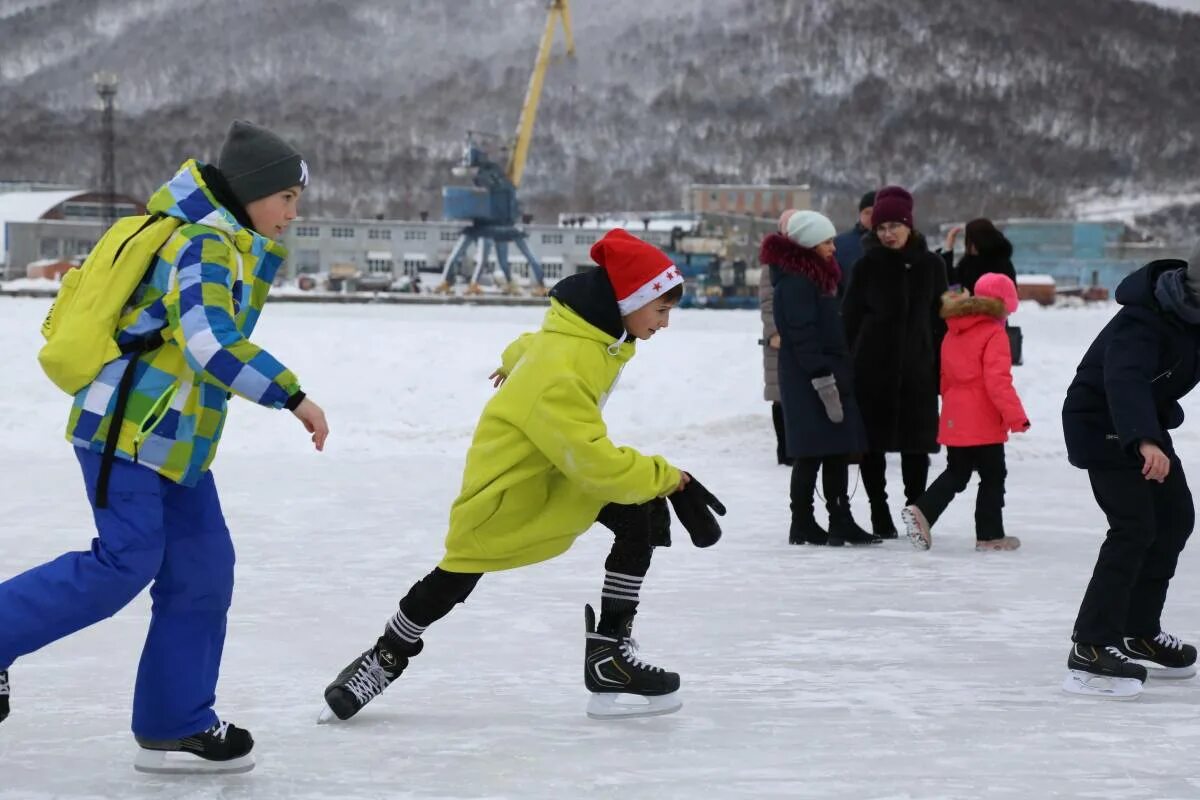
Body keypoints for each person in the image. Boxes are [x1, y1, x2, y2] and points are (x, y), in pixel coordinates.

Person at [0, 120, 329, 773]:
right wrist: (290, 395)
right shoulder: (204, 245)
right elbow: (209, 344)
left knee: (203, 570)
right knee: (128, 561)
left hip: (174, 441)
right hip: (125, 431)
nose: (293, 212)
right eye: (285, 197)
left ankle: (174, 721)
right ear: (250, 192)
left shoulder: (226, 242)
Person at [321, 229, 725, 722]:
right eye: (660, 310)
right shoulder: (567, 363)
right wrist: (669, 476)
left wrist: (514, 359)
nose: (665, 323)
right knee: (458, 574)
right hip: (512, 485)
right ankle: (386, 656)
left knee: (638, 512)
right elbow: (594, 461)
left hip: (555, 471)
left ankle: (609, 656)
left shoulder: (592, 337)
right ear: (628, 301)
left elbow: (533, 343)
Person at [1060, 246, 1200, 699]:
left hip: (1144, 423)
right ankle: (1091, 645)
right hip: (1100, 420)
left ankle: (1138, 630)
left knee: (1175, 518)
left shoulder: (1194, 317)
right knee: (1134, 526)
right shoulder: (1148, 315)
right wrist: (1144, 439)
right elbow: (1124, 379)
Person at [763, 211, 876, 546]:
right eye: (826, 241)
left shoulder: (814, 278)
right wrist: (822, 378)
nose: (833, 247)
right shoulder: (797, 282)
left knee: (836, 449)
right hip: (811, 378)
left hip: (824, 373)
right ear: (810, 243)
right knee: (812, 453)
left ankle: (839, 518)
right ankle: (803, 521)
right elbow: (802, 334)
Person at [843, 186, 948, 537]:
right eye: (881, 227)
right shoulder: (865, 266)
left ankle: (916, 511)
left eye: (894, 226)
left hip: (919, 370)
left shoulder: (933, 265)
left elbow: (941, 320)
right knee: (872, 446)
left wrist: (939, 365)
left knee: (916, 446)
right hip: (872, 371)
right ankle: (878, 510)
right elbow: (850, 319)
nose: (887, 234)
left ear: (909, 226)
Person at [901, 274, 1029, 552]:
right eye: (1008, 307)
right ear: (999, 304)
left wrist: (951, 411)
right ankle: (990, 535)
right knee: (993, 475)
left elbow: (946, 378)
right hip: (983, 417)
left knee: (958, 472)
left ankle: (923, 510)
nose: (1008, 314)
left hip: (955, 413)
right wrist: (1016, 417)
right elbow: (998, 381)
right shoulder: (994, 333)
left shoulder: (954, 329)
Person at [761, 210, 793, 466]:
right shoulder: (772, 258)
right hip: (778, 338)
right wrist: (773, 331)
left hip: (802, 334)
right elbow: (766, 298)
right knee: (779, 394)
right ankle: (784, 450)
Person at [940, 218, 1017, 294]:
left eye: (970, 240)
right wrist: (948, 248)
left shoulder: (1000, 265)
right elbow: (953, 286)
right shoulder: (967, 263)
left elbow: (957, 290)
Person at [833, 190, 875, 293]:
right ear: (860, 214)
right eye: (867, 213)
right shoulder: (840, 243)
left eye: (876, 212)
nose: (871, 217)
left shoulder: (893, 242)